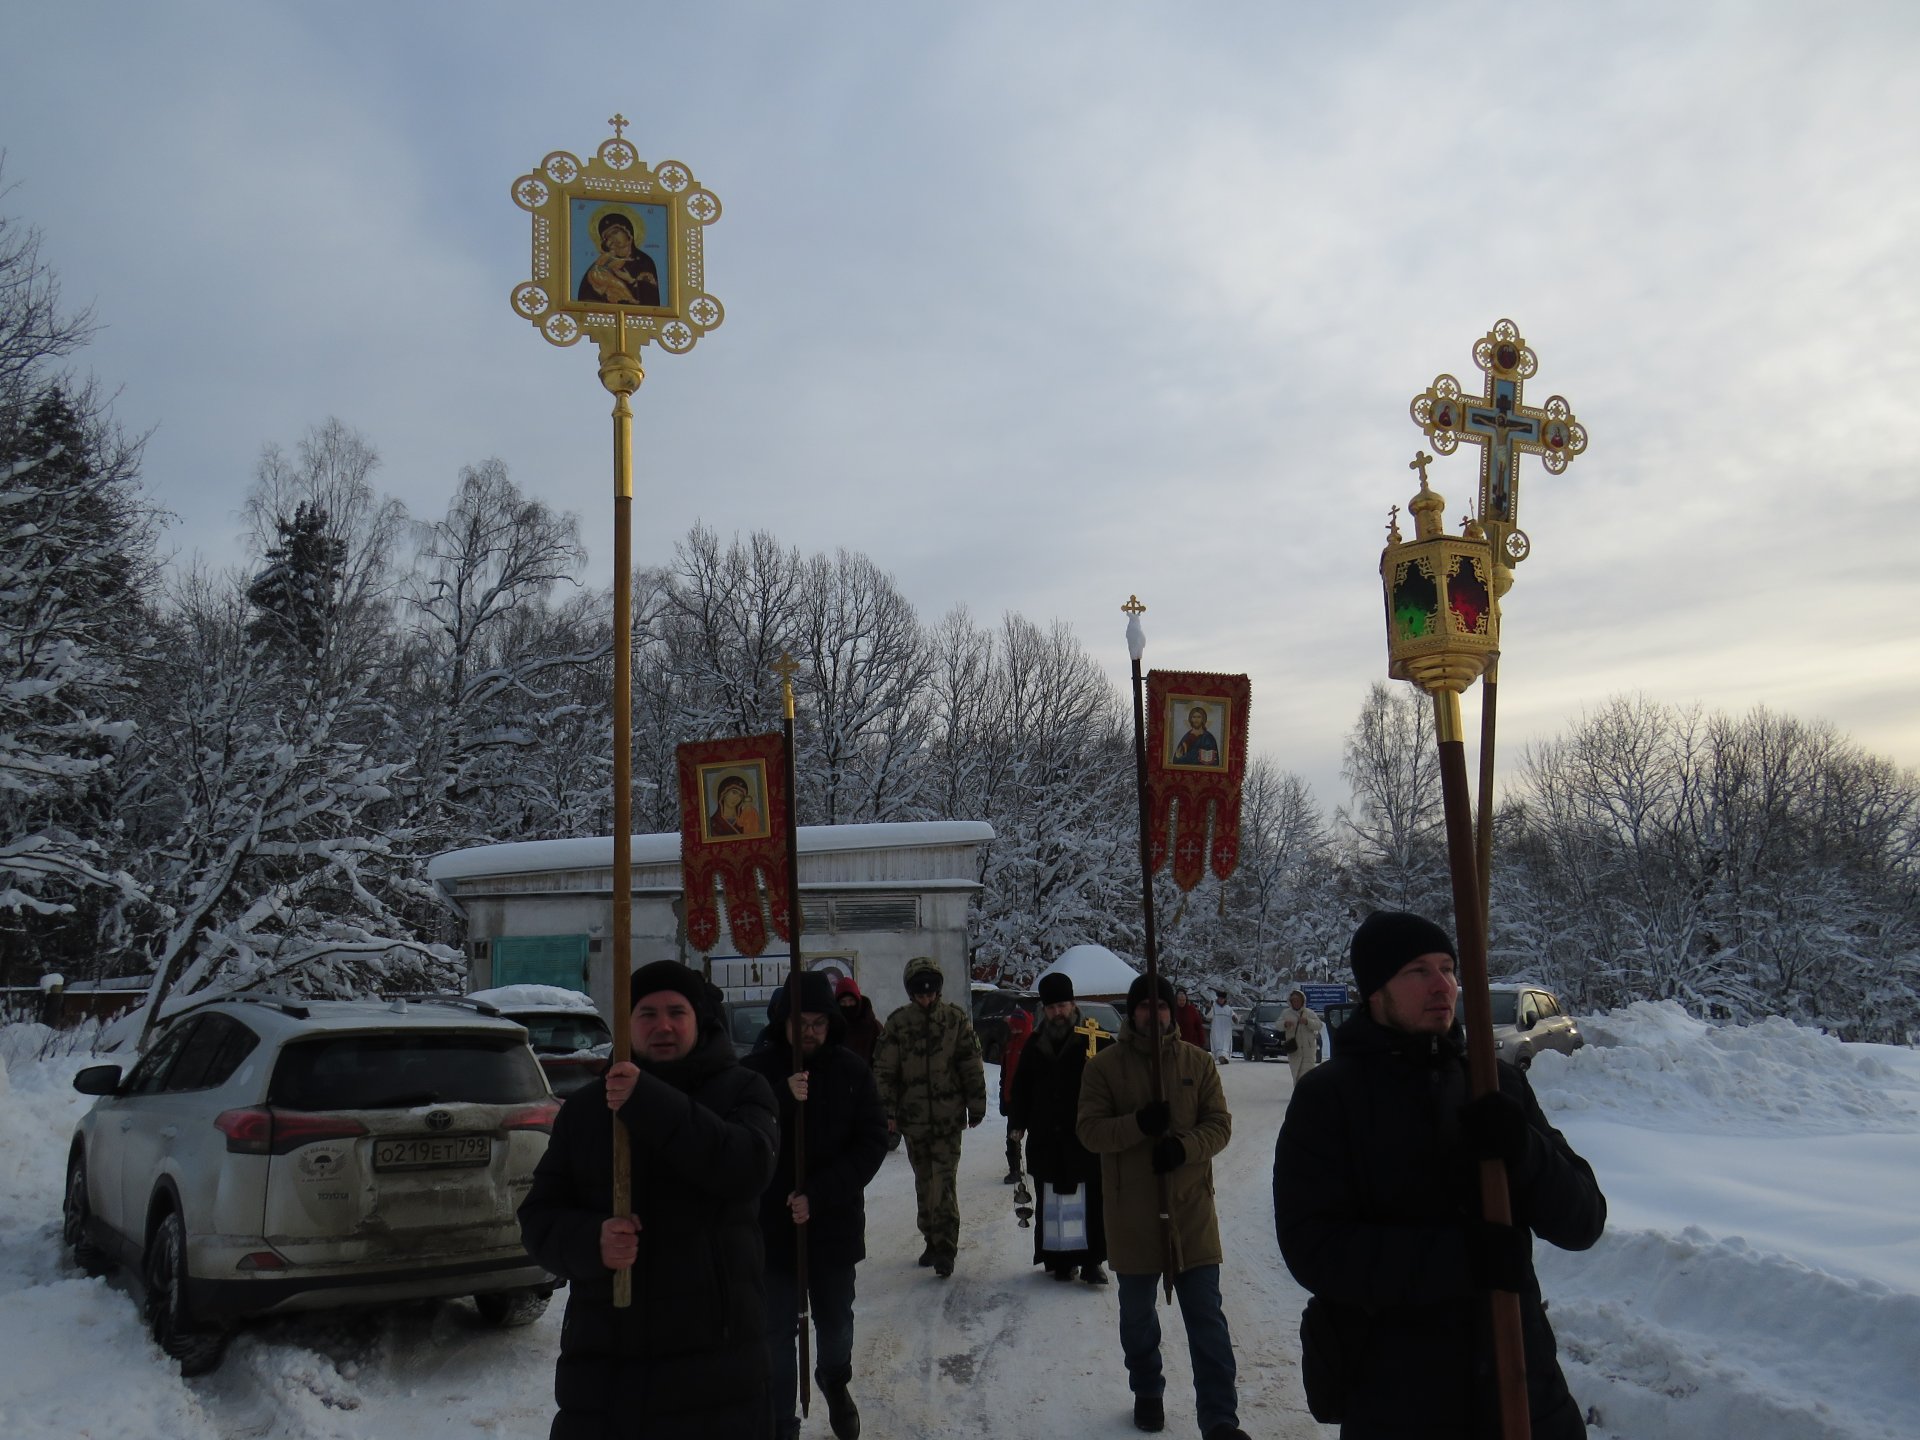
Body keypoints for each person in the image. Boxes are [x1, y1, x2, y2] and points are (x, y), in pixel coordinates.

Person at [1273, 912, 1607, 1438]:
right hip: (1400, 1401)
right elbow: (1312, 1246)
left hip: (1523, 1391)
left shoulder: (1494, 1084)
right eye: (1418, 971)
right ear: (1376, 990)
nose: (1443, 985)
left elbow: (1584, 1222)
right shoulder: (1329, 1098)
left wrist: (1524, 1150)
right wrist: (1461, 1260)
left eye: (1448, 968)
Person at [518, 960, 779, 1440]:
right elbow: (538, 1218)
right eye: (647, 1013)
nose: (663, 1025)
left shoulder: (743, 1089)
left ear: (699, 1019)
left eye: (677, 1012)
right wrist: (591, 1241)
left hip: (717, 1368)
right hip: (611, 1368)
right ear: (627, 1023)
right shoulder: (586, 1110)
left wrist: (647, 1100)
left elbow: (747, 1168)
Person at [1077, 974, 1249, 1440]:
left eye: (1161, 1006)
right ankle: (1147, 1389)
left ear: (1173, 1011)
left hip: (1191, 1210)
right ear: (1132, 1012)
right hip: (1131, 1212)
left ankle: (1220, 1418)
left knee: (1207, 1319)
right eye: (1144, 1007)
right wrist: (1138, 1124)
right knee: (1137, 1318)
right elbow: (1089, 1131)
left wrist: (1183, 1147)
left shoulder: (1198, 1062)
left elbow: (1220, 1124)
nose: (1153, 1015)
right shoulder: (1104, 1067)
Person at [742, 972, 889, 1440]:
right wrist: (780, 1098)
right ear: (782, 1021)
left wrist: (819, 1194)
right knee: (775, 1332)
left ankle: (834, 1380)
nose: (809, 1031)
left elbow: (871, 1142)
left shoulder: (851, 1072)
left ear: (831, 1024)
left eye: (818, 1023)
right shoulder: (756, 1073)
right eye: (800, 1022)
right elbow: (738, 1139)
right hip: (772, 1226)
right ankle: (781, 1421)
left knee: (835, 1322)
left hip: (833, 1223)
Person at [872, 956, 987, 1279]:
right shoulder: (898, 1023)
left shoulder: (954, 1020)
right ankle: (930, 1239)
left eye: (931, 993)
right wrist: (887, 1112)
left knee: (944, 1183)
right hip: (914, 1120)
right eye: (920, 994)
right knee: (925, 1182)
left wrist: (976, 1104)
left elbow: (971, 1064)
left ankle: (946, 1247)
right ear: (911, 993)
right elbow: (884, 1071)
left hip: (948, 1119)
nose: (926, 999)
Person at [1008, 972, 1111, 1283]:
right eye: (1052, 1007)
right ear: (1044, 1009)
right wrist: (1017, 1124)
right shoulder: (1034, 1043)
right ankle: (1060, 1260)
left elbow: (1115, 1083)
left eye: (1063, 1006)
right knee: (1052, 1199)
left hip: (1084, 1137)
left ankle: (1092, 1262)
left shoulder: (1096, 1038)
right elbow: (1021, 1088)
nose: (1058, 1012)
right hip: (1047, 1136)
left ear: (1073, 1004)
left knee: (1090, 1198)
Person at [577, 209, 662, 306]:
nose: (611, 240)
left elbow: (652, 301)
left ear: (628, 231)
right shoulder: (603, 264)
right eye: (607, 238)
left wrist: (631, 281)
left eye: (615, 232)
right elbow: (585, 302)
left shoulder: (644, 261)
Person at [999, 1002, 1034, 1184]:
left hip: (1030, 1101)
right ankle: (1014, 1169)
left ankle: (1036, 1164)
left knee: (1035, 1136)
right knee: (1012, 1136)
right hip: (1012, 1099)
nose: (1011, 1028)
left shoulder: (1032, 1044)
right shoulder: (1010, 1044)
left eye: (1014, 1025)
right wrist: (1003, 1097)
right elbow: (1005, 1073)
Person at [834, 975, 882, 1066]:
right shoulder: (833, 1027)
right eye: (843, 1002)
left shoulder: (873, 1027)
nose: (847, 1005)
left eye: (851, 1000)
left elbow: (883, 1057)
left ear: (858, 1000)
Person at [1280, 988, 1323, 1082]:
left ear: (1302, 1001)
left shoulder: (1309, 1013)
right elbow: (1278, 1025)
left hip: (1308, 1050)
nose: (1296, 1003)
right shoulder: (1286, 1013)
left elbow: (1319, 1025)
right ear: (1291, 1002)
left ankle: (1307, 1090)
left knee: (1308, 1074)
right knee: (1296, 1074)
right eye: (1294, 1001)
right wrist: (1285, 1024)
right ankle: (1298, 1089)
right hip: (1294, 1049)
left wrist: (1307, 1022)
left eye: (1298, 1000)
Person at [1208, 991, 1235, 1065]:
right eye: (1219, 998)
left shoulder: (1228, 1009)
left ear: (1224, 999)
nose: (1221, 1000)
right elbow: (1208, 1017)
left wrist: (1235, 1018)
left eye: (1222, 999)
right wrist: (1208, 1008)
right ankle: (1220, 1057)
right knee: (1218, 1043)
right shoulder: (1214, 1007)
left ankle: (1224, 1057)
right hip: (1216, 1029)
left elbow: (1234, 1018)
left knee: (1225, 1044)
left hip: (1226, 1030)